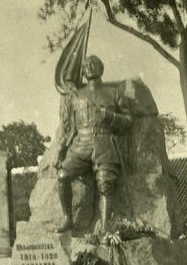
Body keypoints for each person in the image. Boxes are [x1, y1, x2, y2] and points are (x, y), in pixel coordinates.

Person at [55, 54, 133, 233]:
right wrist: (62, 150)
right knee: (62, 176)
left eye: (93, 64)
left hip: (104, 144)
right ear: (82, 72)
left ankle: (105, 229)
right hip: (80, 144)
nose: (89, 67)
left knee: (105, 185)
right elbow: (69, 127)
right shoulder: (76, 96)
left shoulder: (114, 92)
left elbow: (129, 121)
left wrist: (111, 116)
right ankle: (68, 219)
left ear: (101, 68)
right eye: (85, 66)